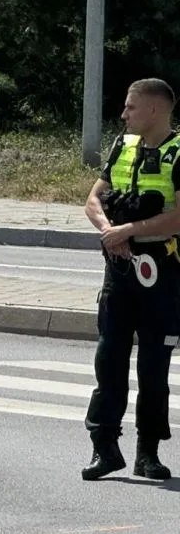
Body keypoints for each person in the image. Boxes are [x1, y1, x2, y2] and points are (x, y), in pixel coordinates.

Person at [83, 78, 180, 481]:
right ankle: (104, 447)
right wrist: (111, 231)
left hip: (163, 272)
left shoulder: (178, 152)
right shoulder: (122, 146)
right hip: (120, 270)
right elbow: (93, 200)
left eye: (131, 107)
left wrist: (130, 230)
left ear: (155, 109)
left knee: (154, 367)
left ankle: (148, 452)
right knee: (109, 359)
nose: (123, 114)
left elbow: (178, 218)